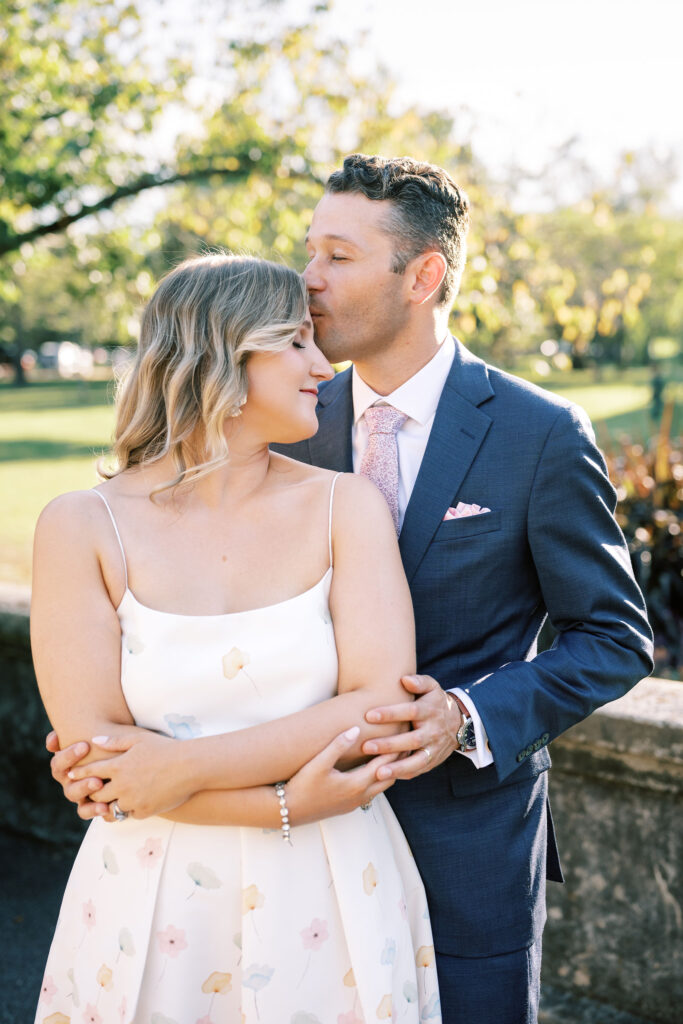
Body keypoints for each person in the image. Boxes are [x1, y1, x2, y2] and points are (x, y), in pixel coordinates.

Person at [48, 154, 654, 1024]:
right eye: (307, 250)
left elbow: (611, 635)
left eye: (337, 255)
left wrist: (465, 716)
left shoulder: (540, 433)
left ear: (423, 275)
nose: (309, 279)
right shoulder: (281, 413)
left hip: (462, 834)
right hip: (246, 845)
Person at [32, 254, 441, 1023]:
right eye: (294, 341)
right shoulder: (83, 527)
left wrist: (180, 767)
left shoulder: (343, 507)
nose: (323, 364)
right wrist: (282, 804)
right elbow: (103, 767)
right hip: (148, 898)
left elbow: (382, 700)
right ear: (216, 352)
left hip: (333, 882)